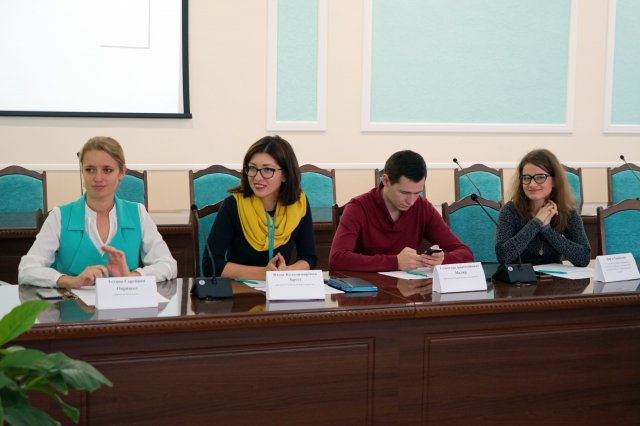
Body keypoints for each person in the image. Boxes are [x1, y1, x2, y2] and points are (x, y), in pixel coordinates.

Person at [18, 137, 177, 288]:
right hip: (72, 306)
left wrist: (130, 276)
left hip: (125, 305)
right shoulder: (59, 216)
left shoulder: (138, 213)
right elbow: (27, 270)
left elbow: (168, 265)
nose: (98, 178)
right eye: (90, 170)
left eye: (107, 170)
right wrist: (71, 281)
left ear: (121, 172)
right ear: (82, 171)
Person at [329, 150, 473, 272]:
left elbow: (465, 253)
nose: (411, 201)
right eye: (404, 192)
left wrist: (443, 259)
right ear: (386, 181)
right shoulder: (358, 207)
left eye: (417, 193)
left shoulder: (423, 207)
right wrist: (395, 262)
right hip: (367, 291)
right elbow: (337, 259)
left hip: (408, 290)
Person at [202, 135, 317, 280]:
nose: (257, 177)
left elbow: (308, 258)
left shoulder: (298, 204)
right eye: (252, 168)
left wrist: (285, 272)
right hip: (241, 289)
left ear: (285, 175)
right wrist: (263, 273)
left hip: (281, 286)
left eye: (267, 170)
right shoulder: (233, 205)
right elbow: (210, 265)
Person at [495, 148, 590, 267]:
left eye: (540, 177)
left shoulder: (567, 212)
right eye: (526, 178)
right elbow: (504, 256)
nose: (532, 184)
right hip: (519, 277)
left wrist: (546, 229)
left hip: (555, 277)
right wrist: (537, 222)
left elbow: (583, 259)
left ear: (555, 181)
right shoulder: (510, 210)